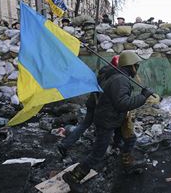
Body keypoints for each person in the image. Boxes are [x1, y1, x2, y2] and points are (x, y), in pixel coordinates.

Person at [62, 51, 153, 192]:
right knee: (98, 154)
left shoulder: (118, 77)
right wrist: (143, 97)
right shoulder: (120, 80)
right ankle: (73, 177)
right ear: (131, 66)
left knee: (129, 139)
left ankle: (127, 164)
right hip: (107, 121)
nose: (138, 68)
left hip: (113, 118)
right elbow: (122, 103)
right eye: (137, 65)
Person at [57, 55, 120, 157]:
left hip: (93, 102)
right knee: (101, 128)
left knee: (84, 125)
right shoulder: (112, 76)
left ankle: (65, 144)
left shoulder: (104, 72)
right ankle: (98, 152)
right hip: (99, 105)